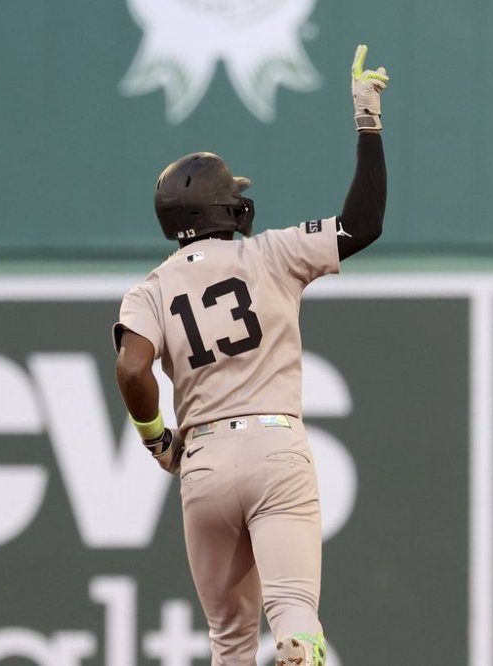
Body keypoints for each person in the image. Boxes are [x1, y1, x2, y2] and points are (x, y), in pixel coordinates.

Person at [112, 44, 388, 666]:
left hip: (204, 460)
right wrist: (367, 124)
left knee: (229, 642)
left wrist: (158, 439)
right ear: (224, 208)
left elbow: (132, 367)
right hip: (274, 444)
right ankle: (296, 646)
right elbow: (362, 222)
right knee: (293, 615)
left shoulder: (150, 288)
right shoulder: (271, 253)